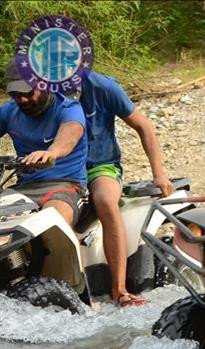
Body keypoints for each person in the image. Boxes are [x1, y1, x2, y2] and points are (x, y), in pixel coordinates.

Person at [74, 71, 174, 307]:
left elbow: (144, 127)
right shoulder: (37, 91)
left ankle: (119, 289)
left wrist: (159, 174)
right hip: (60, 171)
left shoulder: (103, 87)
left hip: (100, 166)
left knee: (105, 200)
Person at [0, 60, 88, 227]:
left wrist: (51, 152)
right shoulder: (9, 111)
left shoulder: (68, 108)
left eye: (28, 92)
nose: (23, 99)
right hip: (23, 188)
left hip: (65, 186)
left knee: (53, 223)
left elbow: (70, 134)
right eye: (16, 94)